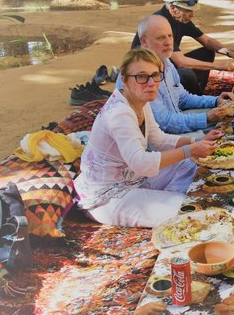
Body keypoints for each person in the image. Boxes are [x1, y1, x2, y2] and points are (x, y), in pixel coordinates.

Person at [75, 48, 221, 228]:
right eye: (141, 77)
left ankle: (164, 201)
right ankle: (168, 205)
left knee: (190, 164)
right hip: (107, 196)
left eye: (155, 75)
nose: (151, 83)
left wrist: (196, 142)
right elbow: (140, 162)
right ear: (124, 80)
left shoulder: (139, 101)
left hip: (135, 178)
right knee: (190, 211)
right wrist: (190, 150)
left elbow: (158, 139)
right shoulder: (119, 114)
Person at [122, 15, 234, 135]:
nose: (168, 42)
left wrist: (215, 101)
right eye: (161, 38)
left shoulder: (165, 62)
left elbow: (182, 98)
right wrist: (207, 118)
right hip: (158, 137)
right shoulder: (142, 74)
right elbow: (165, 124)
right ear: (144, 41)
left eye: (170, 36)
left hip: (172, 122)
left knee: (229, 114)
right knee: (222, 134)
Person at [132, 0, 234, 95]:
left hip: (167, 66)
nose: (192, 14)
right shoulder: (161, 23)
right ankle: (196, 100)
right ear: (173, 9)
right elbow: (181, 62)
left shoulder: (180, 18)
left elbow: (206, 41)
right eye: (189, 10)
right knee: (186, 74)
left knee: (206, 53)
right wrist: (218, 66)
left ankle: (198, 93)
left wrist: (230, 52)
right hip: (149, 74)